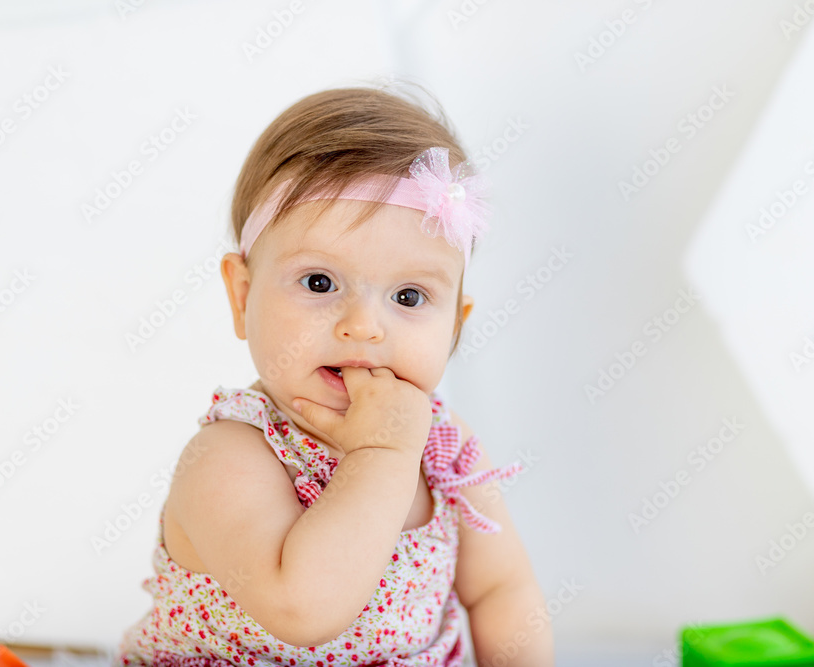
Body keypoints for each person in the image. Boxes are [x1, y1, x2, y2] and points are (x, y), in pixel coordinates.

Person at [117, 83, 554, 666]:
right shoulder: (230, 455)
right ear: (242, 295)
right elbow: (304, 609)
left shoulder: (446, 449)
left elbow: (502, 589)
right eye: (320, 283)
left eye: (408, 294)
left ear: (454, 326)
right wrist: (381, 453)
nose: (364, 326)